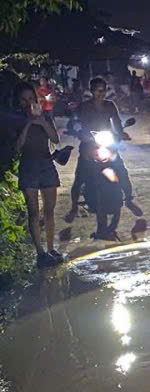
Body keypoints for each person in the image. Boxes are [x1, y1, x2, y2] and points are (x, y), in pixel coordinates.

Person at [65, 76, 141, 235]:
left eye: (103, 90)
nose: (101, 93)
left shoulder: (110, 105)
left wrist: (122, 133)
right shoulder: (84, 107)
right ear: (92, 91)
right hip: (89, 144)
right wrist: (80, 133)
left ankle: (128, 197)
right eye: (98, 90)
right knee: (80, 176)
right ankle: (73, 206)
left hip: (107, 142)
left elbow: (118, 124)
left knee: (121, 169)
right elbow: (74, 123)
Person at [10, 82, 68, 266]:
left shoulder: (45, 116)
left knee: (49, 211)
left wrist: (41, 121)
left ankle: (51, 249)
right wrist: (28, 123)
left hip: (46, 165)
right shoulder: (16, 119)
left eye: (31, 99)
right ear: (18, 102)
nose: (28, 103)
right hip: (28, 166)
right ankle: (40, 253)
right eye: (24, 99)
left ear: (36, 100)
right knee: (33, 212)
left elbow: (55, 139)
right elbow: (18, 148)